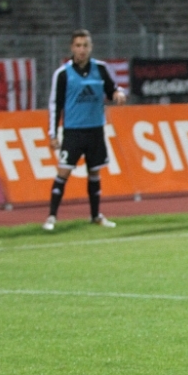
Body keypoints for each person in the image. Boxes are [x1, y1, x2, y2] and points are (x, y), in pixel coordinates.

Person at [43, 29, 126, 232]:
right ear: (72, 48)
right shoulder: (63, 74)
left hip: (95, 130)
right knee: (63, 172)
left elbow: (112, 89)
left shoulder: (101, 69)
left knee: (94, 172)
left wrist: (118, 94)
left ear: (91, 47)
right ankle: (51, 216)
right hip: (73, 132)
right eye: (78, 46)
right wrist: (53, 134)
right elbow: (55, 105)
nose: (82, 50)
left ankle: (96, 215)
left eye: (85, 45)